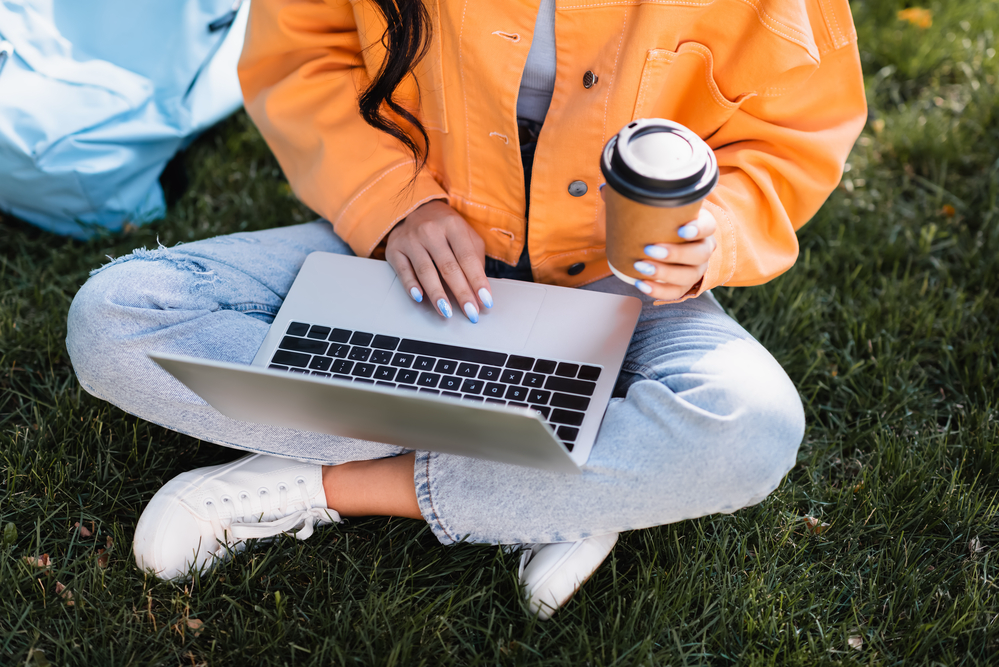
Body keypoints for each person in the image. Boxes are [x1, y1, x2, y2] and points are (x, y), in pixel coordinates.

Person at [66, 0, 866, 619]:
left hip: (622, 281)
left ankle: (327, 484)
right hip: (415, 248)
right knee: (117, 317)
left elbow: (792, 131)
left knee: (750, 427)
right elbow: (303, 54)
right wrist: (393, 205)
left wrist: (711, 234)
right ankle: (579, 473)